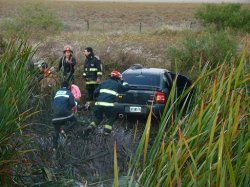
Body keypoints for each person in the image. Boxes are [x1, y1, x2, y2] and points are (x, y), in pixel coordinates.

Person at [85, 70, 130, 135]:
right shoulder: (118, 84)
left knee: (98, 117)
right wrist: (123, 81)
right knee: (111, 117)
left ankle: (91, 127)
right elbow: (127, 87)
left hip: (99, 104)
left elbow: (95, 93)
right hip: (109, 105)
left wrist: (99, 98)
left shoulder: (104, 82)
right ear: (118, 77)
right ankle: (106, 132)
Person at [52, 81, 77, 150]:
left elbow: (54, 104)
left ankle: (54, 148)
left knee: (56, 131)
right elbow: (73, 104)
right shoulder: (69, 93)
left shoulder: (57, 93)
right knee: (75, 120)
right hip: (64, 114)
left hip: (54, 117)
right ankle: (65, 131)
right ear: (68, 87)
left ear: (61, 87)